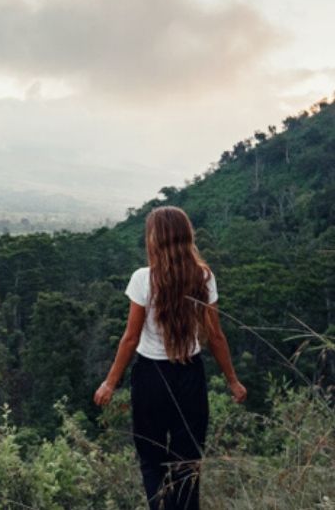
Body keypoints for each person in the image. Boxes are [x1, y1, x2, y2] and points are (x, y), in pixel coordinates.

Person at [93, 205, 247, 510]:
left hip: (150, 378)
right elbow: (216, 336)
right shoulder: (203, 276)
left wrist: (110, 383)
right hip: (190, 376)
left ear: (155, 239)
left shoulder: (143, 279)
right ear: (186, 236)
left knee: (152, 461)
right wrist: (233, 381)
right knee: (187, 462)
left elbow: (130, 338)